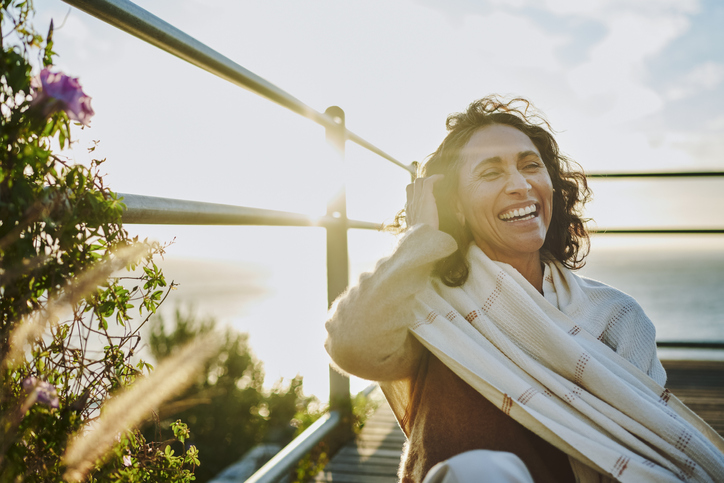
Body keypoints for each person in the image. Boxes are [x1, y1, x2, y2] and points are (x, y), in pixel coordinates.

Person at [325, 96, 724, 483]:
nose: (520, 185)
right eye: (491, 172)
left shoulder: (618, 316)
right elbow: (351, 345)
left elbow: (650, 449)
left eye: (530, 165)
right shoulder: (428, 305)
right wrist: (419, 238)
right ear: (457, 206)